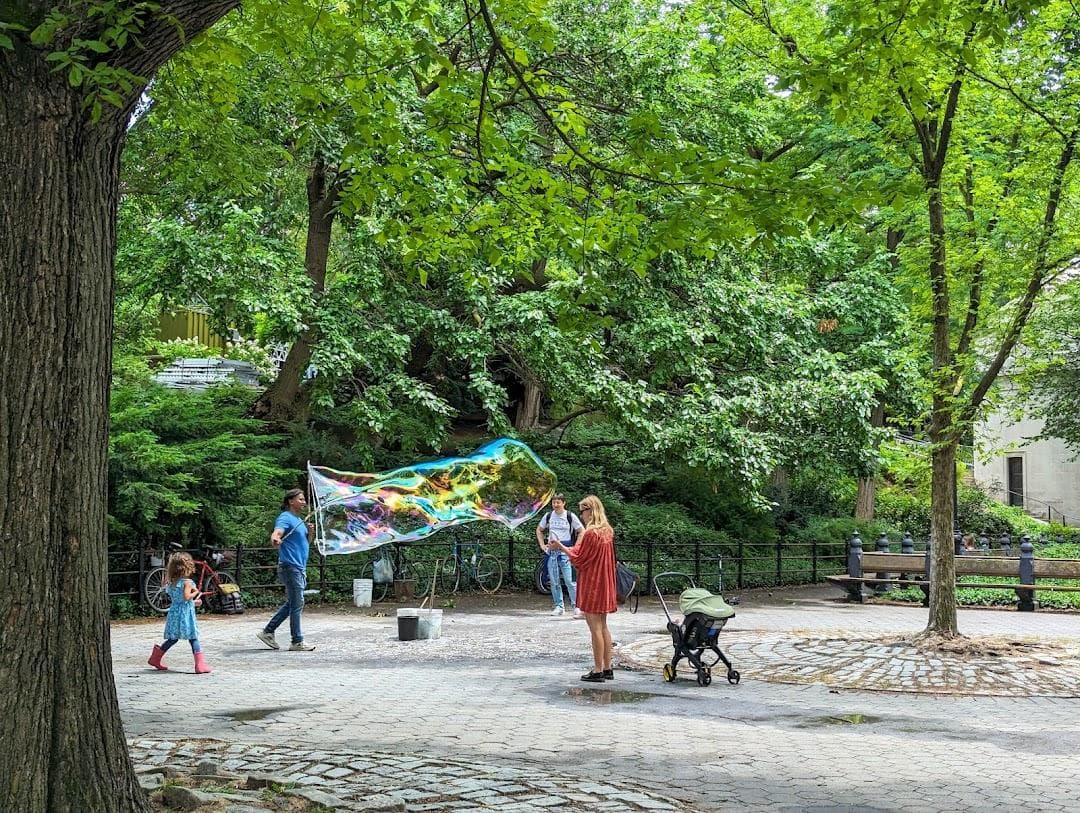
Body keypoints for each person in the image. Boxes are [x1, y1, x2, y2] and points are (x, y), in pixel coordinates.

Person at [548, 494, 616, 682]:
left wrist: (559, 546)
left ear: (590, 510)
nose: (582, 515)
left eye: (583, 511)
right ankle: (608, 667)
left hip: (593, 584)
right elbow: (583, 553)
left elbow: (578, 559)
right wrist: (565, 546)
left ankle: (597, 670)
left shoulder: (591, 533)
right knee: (603, 626)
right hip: (605, 583)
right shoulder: (607, 531)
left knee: (594, 628)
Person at [257, 487, 316, 651]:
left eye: (304, 499)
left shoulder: (299, 521)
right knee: (297, 604)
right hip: (290, 567)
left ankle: (268, 631)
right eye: (301, 499)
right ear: (291, 501)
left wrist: (310, 533)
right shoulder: (285, 517)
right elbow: (277, 533)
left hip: (298, 567)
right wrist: (275, 538)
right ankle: (297, 641)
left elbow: (306, 543)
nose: (304, 502)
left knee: (293, 603)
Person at [147, 552, 211, 674]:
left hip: (174, 612)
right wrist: (195, 592)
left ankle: (155, 658)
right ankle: (200, 665)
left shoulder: (172, 583)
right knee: (193, 638)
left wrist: (194, 602)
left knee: (173, 638)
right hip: (185, 615)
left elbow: (179, 599)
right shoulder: (187, 582)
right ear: (188, 567)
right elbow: (186, 597)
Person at [536, 494, 584, 617]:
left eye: (558, 502)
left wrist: (575, 547)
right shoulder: (548, 516)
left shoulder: (570, 516)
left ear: (564, 503)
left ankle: (577, 606)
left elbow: (581, 531)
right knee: (554, 581)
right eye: (554, 502)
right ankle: (559, 606)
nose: (556, 505)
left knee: (570, 581)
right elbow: (539, 529)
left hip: (566, 552)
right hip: (552, 552)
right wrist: (542, 544)